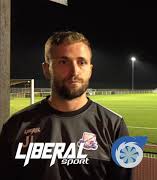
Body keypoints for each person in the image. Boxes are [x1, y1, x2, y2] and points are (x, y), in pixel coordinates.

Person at [0, 31, 132, 180]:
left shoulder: (114, 126)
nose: (74, 71)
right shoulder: (16, 125)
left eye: (82, 62)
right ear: (46, 69)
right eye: (64, 62)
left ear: (90, 69)